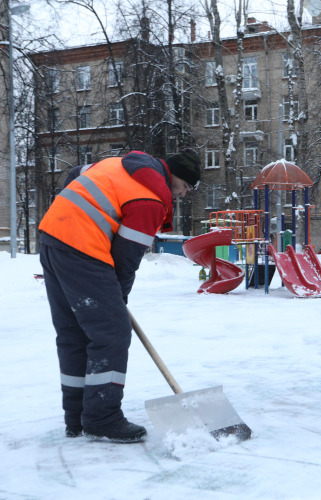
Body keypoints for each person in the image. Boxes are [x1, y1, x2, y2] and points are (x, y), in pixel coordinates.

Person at [38, 149, 201, 443]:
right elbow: (126, 258)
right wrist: (117, 297)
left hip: (52, 237)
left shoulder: (119, 164)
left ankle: (76, 417)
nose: (183, 194)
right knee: (111, 332)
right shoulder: (151, 198)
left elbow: (75, 174)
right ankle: (102, 418)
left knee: (74, 332)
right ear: (175, 177)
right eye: (186, 187)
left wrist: (72, 215)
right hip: (83, 249)